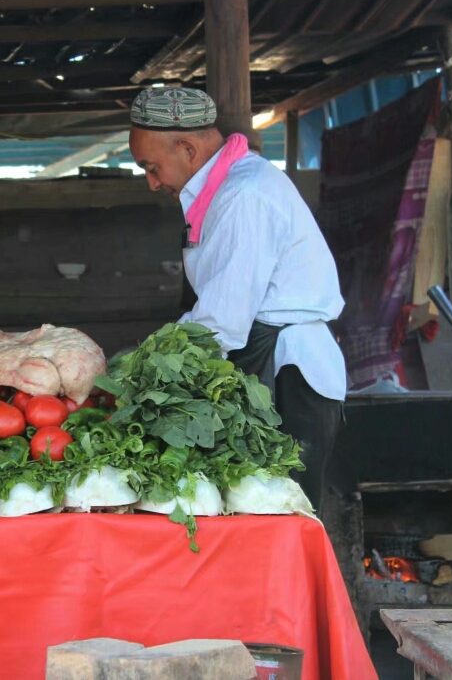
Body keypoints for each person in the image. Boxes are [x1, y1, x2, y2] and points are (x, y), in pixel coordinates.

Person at [128, 87, 346, 511]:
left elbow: (221, 322)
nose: (152, 182)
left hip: (288, 378)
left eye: (152, 168)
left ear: (188, 148)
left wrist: (143, 374)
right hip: (265, 364)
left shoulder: (244, 196)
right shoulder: (227, 189)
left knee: (282, 520)